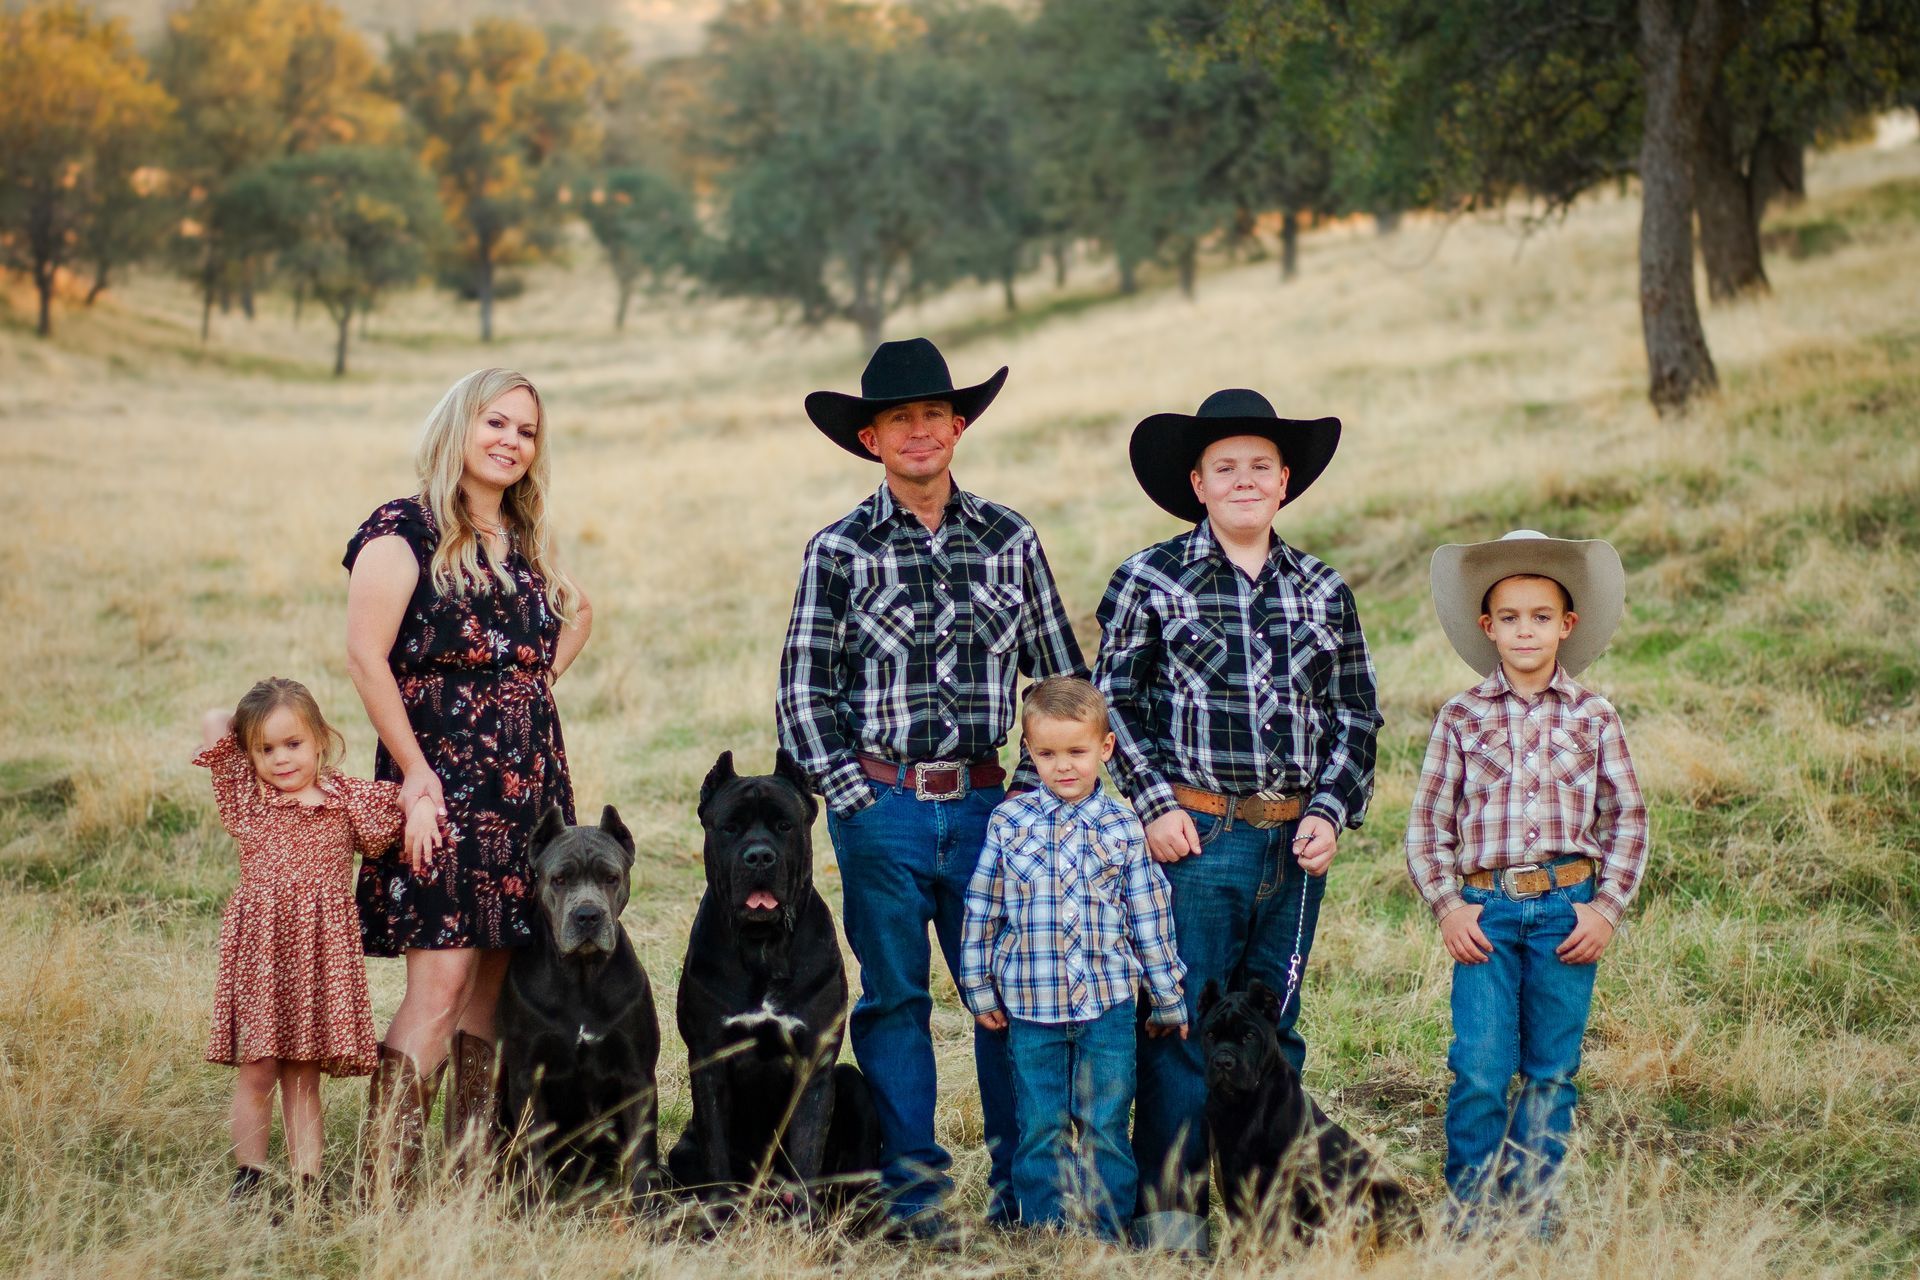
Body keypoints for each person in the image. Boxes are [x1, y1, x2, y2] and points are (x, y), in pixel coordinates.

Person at [776, 337, 1087, 1237]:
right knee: (896, 1002)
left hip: (992, 804)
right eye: (899, 419)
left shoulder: (1009, 538)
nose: (919, 431)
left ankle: (1023, 1191)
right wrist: (855, 796)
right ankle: (914, 1197)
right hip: (884, 805)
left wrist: (1030, 792)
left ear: (958, 427)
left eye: (934, 415)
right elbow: (802, 692)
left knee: (1010, 992)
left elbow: (1061, 678)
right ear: (870, 439)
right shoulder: (839, 550)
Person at [1093, 388, 1381, 1249]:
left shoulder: (1323, 589)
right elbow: (1113, 706)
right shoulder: (1151, 580)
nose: (1244, 480)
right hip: (1196, 835)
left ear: (1286, 481)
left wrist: (1331, 808)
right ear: (1198, 483)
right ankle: (1175, 1219)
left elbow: (1355, 714)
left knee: (1271, 1030)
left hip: (1294, 841)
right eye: (1226, 468)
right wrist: (1153, 804)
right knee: (1182, 1025)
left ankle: (1278, 1217)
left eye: (1261, 465)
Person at [343, 367, 592, 1189]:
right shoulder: (403, 529)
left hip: (529, 792)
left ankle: (469, 1179)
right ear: (459, 425)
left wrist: (533, 684)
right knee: (443, 981)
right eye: (496, 422)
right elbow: (366, 659)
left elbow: (570, 621)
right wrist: (415, 776)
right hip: (442, 787)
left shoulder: (523, 540)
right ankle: (386, 1189)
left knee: (495, 980)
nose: (511, 442)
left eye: (527, 431)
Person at [1404, 530, 1647, 1234]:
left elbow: (1628, 818)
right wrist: (1449, 907)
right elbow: (1427, 826)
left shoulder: (1595, 716)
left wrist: (1606, 909)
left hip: (1569, 911)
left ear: (1567, 624)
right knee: (1479, 1066)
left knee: (1551, 1069)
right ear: (1487, 627)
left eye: (1541, 616)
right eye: (1509, 617)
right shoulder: (1460, 717)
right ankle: (1471, 1211)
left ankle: (1532, 1210)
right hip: (1485, 912)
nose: (1525, 630)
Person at [958, 677, 1186, 1241]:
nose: (1063, 766)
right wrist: (979, 989)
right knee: (1040, 1125)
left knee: (1105, 1124)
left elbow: (1149, 916)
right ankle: (1044, 1232)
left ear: (1105, 748)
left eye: (1077, 752)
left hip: (1107, 1007)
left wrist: (1167, 997)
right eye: (1047, 754)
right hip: (1030, 1007)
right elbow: (983, 909)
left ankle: (1107, 1232)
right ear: (1028, 752)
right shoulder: (1009, 823)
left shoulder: (1124, 827)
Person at [194, 678, 435, 1200]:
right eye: (265, 749)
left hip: (317, 954)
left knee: (303, 1074)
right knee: (258, 1068)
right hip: (262, 951)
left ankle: (308, 1183)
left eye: (293, 743)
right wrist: (249, 727)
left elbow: (406, 800)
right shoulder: (248, 798)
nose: (280, 759)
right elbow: (214, 719)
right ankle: (249, 1178)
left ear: (320, 739)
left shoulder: (346, 799)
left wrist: (419, 808)